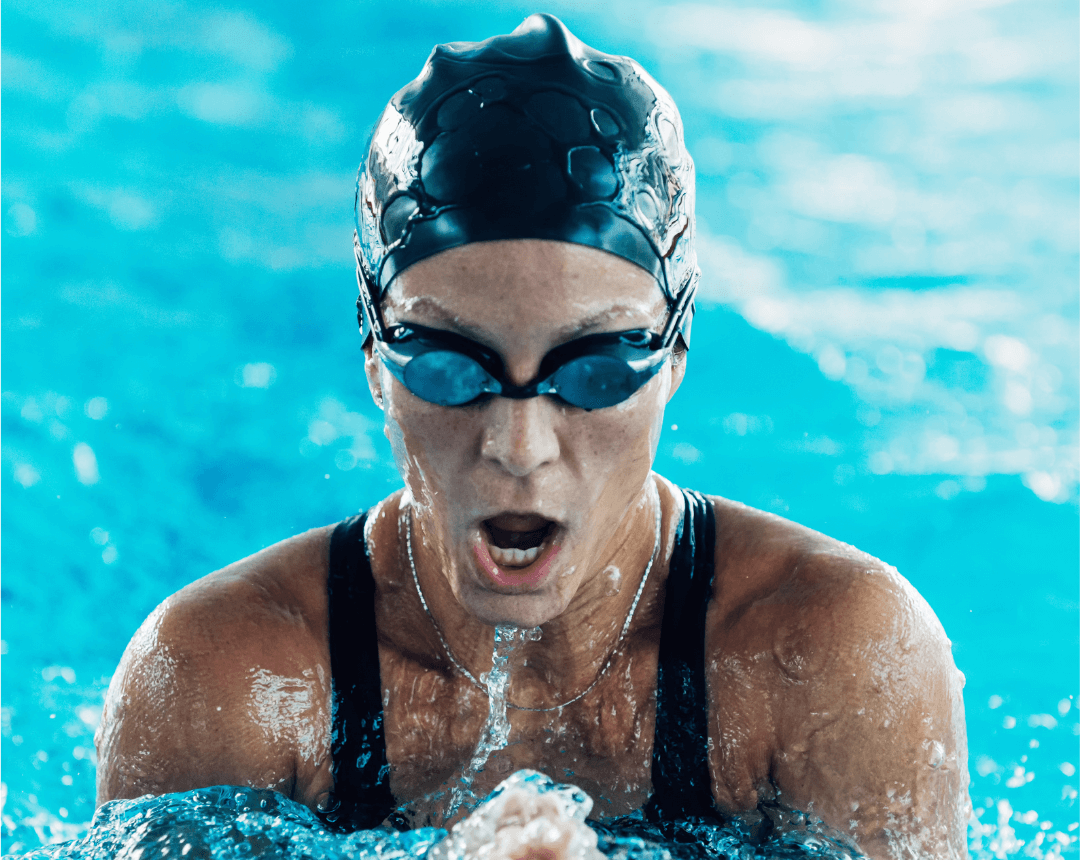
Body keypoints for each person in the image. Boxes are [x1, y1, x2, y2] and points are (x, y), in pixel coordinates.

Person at [94, 14, 971, 859]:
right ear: (374, 356)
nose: (519, 446)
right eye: (449, 364)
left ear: (675, 353)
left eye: (594, 368)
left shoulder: (836, 654)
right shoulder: (227, 677)